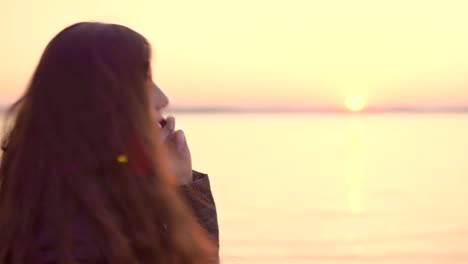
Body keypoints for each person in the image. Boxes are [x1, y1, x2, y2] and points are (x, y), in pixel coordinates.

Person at [0, 22, 219, 263]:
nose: (163, 99)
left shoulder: (69, 200)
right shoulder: (74, 241)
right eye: (144, 81)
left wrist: (179, 181)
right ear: (102, 103)